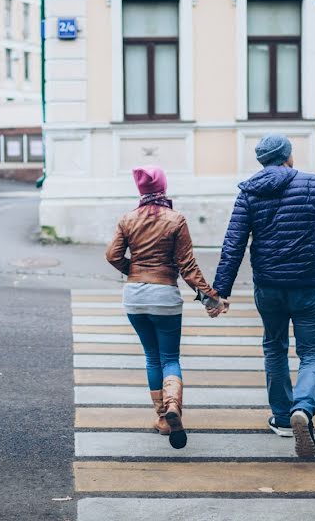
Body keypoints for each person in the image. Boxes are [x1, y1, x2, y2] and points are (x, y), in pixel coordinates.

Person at [212, 134, 315, 458]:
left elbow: (233, 245)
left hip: (269, 287)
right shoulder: (313, 185)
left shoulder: (249, 192)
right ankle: (303, 407)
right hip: (308, 285)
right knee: (313, 352)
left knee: (274, 347)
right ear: (287, 156)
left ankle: (284, 419)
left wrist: (219, 293)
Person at [105, 165, 226, 450]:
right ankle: (174, 406)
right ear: (163, 188)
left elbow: (112, 255)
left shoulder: (127, 219)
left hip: (134, 296)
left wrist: (132, 270)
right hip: (164, 296)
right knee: (170, 357)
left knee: (151, 357)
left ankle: (162, 418)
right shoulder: (176, 220)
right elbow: (188, 267)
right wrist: (211, 298)